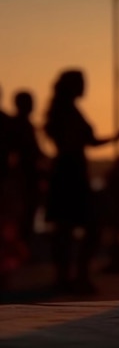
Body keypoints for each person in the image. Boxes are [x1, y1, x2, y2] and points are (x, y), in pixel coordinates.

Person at [44, 69, 119, 294]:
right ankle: (72, 276)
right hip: (69, 173)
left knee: (70, 227)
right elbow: (82, 140)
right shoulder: (65, 112)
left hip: (70, 172)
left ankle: (71, 276)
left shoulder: (64, 111)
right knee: (78, 226)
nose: (85, 87)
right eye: (81, 83)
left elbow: (88, 141)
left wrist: (114, 138)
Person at [11, 91, 48, 248]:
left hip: (25, 176)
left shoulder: (19, 125)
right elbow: (33, 151)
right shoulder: (22, 126)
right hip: (25, 177)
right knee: (25, 214)